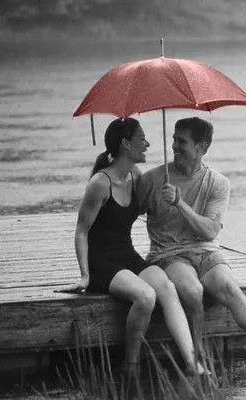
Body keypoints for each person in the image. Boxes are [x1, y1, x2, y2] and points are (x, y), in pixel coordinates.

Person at [59, 117, 204, 377]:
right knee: (146, 296)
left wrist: (172, 199)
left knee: (166, 288)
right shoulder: (100, 183)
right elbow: (81, 231)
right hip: (101, 260)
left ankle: (192, 363)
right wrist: (84, 275)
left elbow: (150, 209)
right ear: (126, 144)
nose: (147, 144)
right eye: (141, 139)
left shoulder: (136, 177)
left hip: (126, 255)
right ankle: (131, 366)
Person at [136, 117, 246, 359]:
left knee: (227, 286)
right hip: (169, 255)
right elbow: (125, 213)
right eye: (174, 140)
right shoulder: (152, 180)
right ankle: (196, 351)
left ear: (202, 147)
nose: (175, 146)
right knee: (192, 290)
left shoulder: (218, 183)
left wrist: (179, 203)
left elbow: (210, 230)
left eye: (182, 141)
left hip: (206, 251)